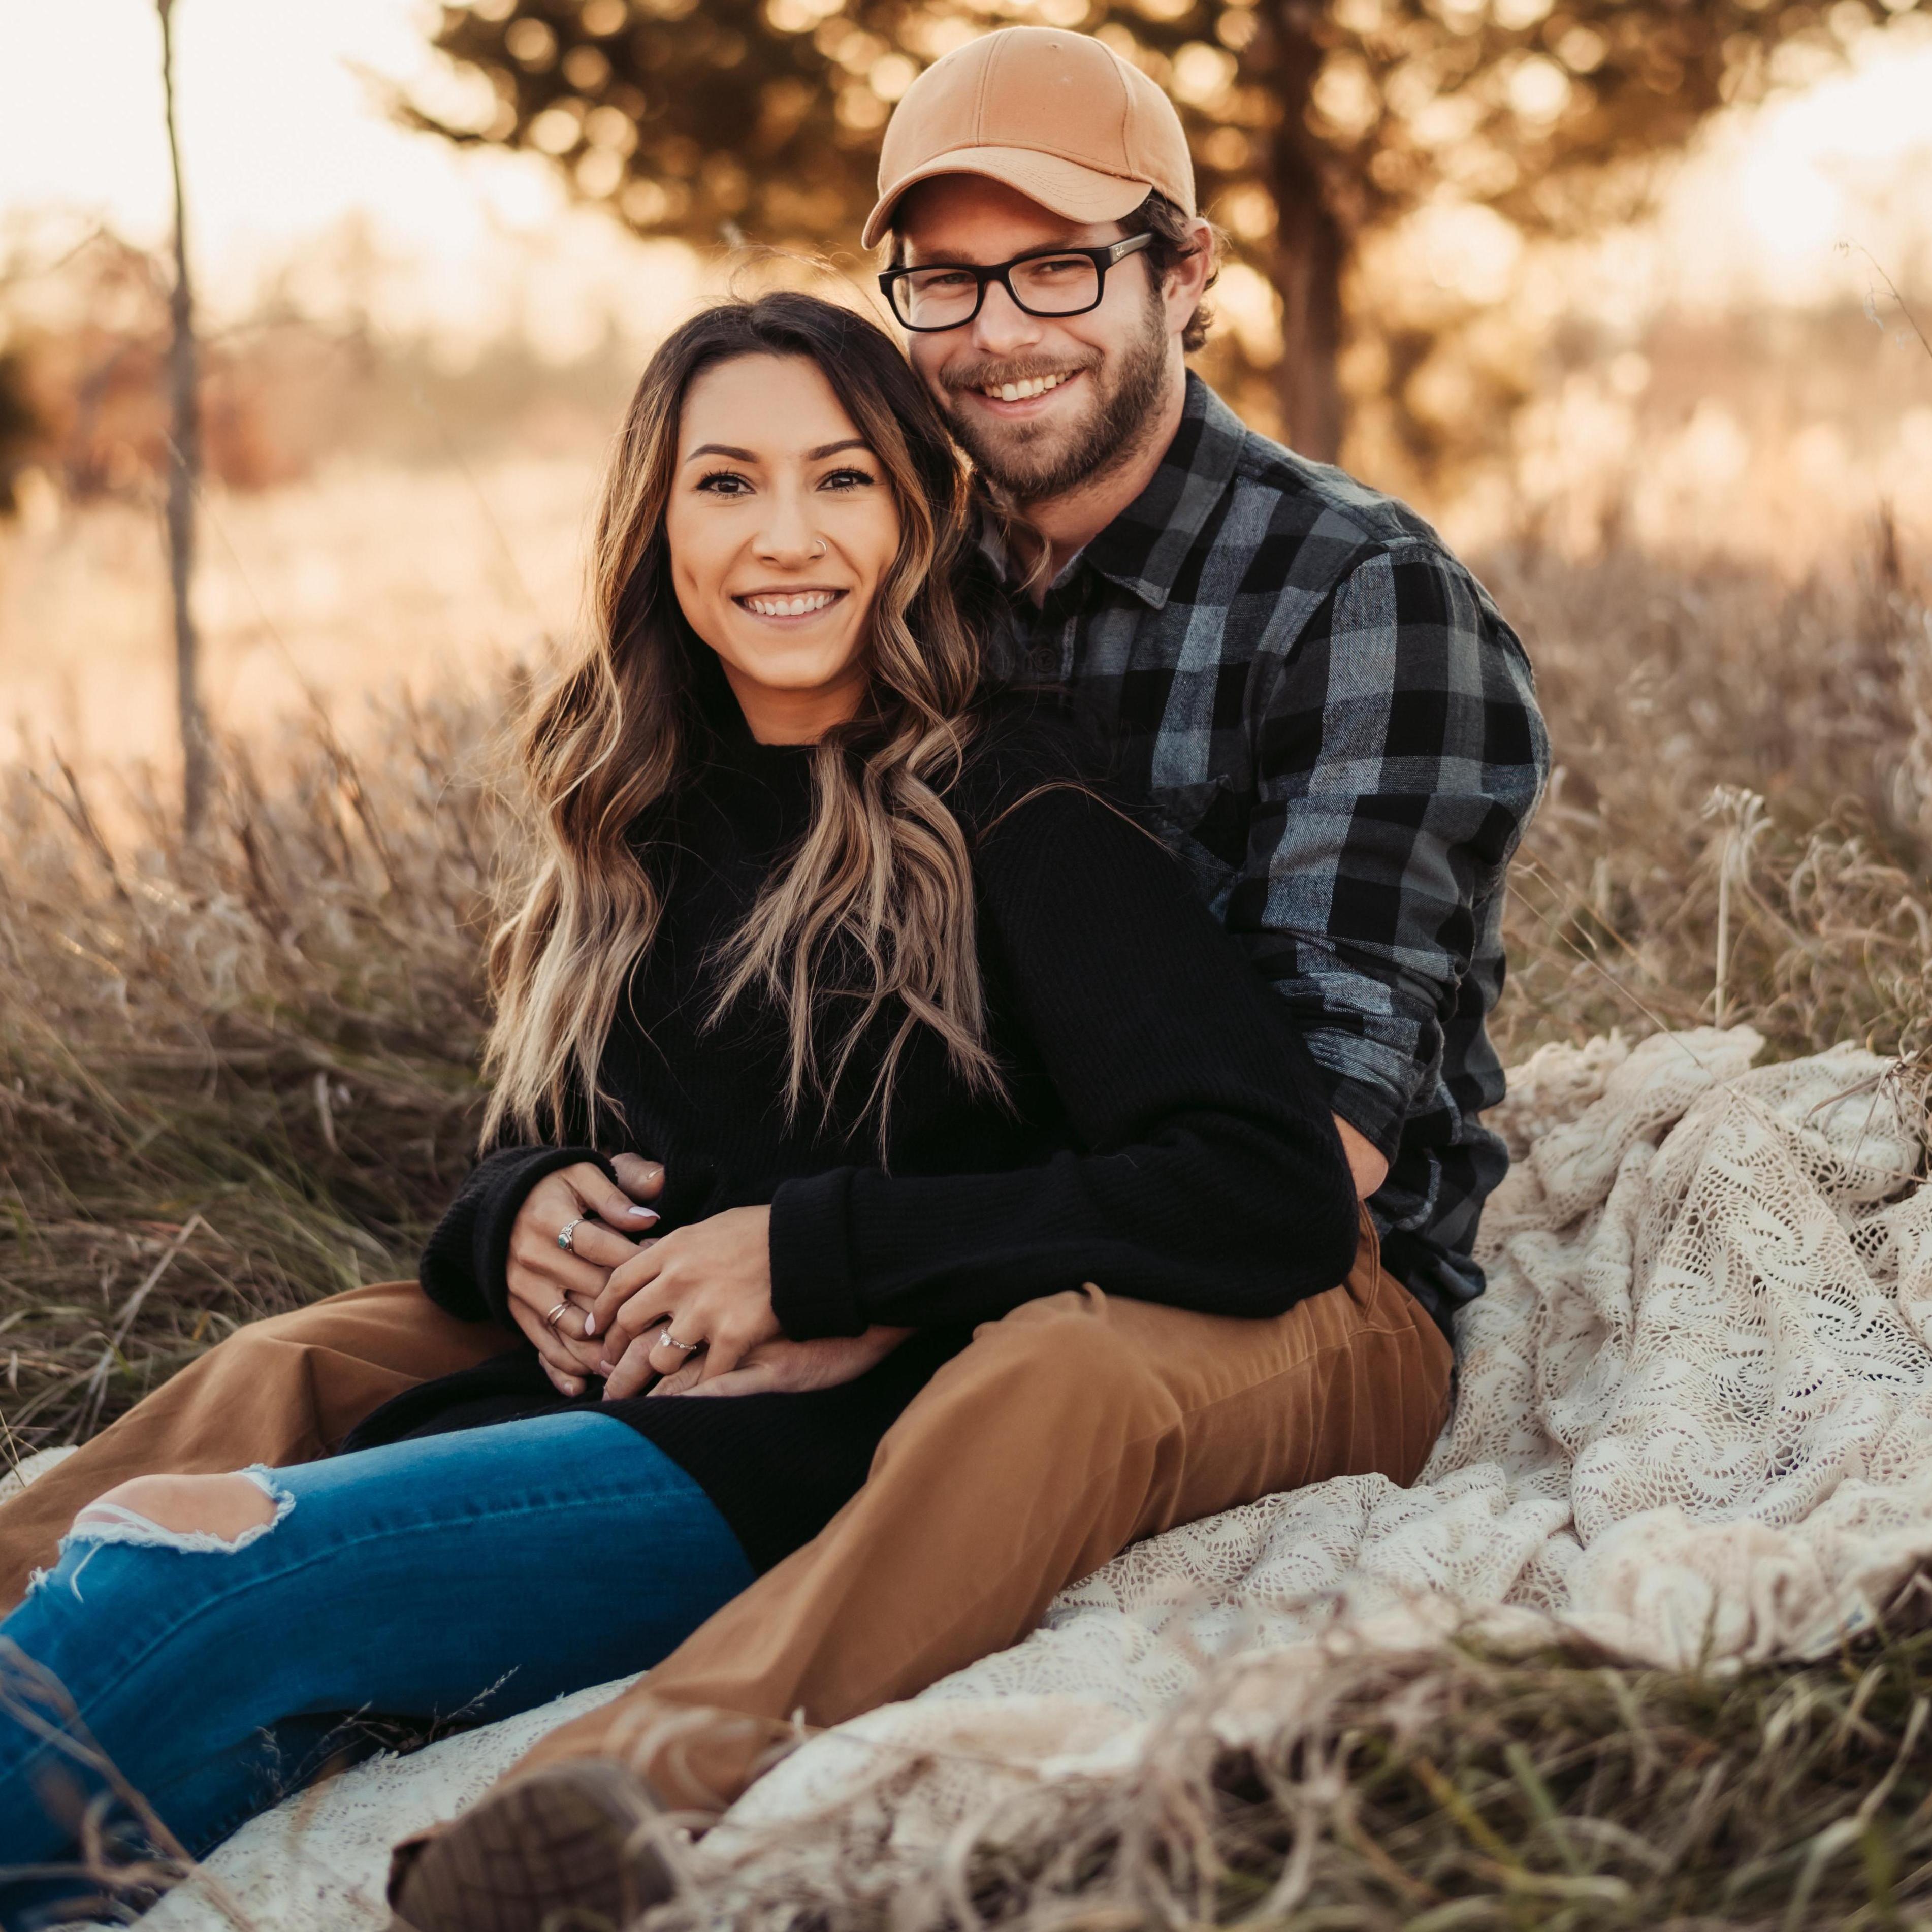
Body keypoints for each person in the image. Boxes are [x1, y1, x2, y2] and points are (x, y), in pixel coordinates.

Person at [0, 24, 1545, 1928]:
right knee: (312, 1351)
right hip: (937, 1212)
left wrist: (843, 1267)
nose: (997, 328)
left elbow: (1306, 1169)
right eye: (946, 280)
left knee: (1046, 1371)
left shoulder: (1352, 596)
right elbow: (718, 1035)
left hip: (1275, 1275)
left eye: (1059, 265)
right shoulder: (894, 563)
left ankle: (637, 1789)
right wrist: (529, 1217)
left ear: (1185, 274)